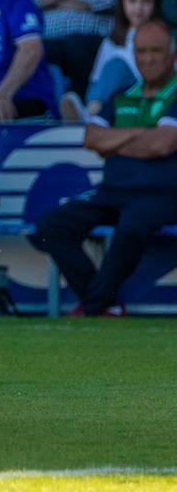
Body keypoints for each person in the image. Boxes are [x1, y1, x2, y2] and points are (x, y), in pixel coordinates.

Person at [31, 19, 177, 317]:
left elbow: (162, 145)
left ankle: (94, 306)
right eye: (142, 51)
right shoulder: (120, 95)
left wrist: (116, 140)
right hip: (112, 192)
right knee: (50, 226)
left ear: (173, 55)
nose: (148, 59)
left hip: (163, 194)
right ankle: (104, 304)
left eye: (156, 51)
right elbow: (91, 138)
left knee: (130, 228)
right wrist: (141, 134)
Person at [62, 0, 161, 120]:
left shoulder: (163, 38)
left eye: (146, 1)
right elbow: (97, 80)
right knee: (111, 70)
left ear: (155, 4)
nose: (138, 8)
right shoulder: (112, 40)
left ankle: (87, 117)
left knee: (116, 66)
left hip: (144, 94)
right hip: (113, 100)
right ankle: (90, 113)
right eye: (132, 1)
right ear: (122, 2)